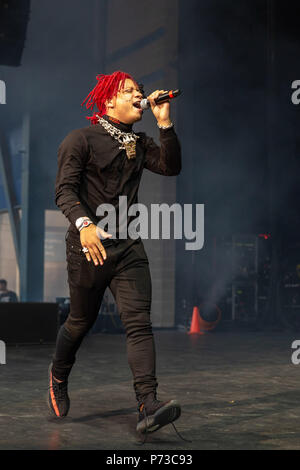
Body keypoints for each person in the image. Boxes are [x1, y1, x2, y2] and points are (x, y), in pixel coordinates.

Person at [49, 70, 182, 435]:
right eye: (130, 92)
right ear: (109, 101)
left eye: (140, 91)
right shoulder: (81, 139)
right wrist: (85, 224)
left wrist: (165, 124)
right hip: (88, 247)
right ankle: (58, 375)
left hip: (128, 246)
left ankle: (148, 404)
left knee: (139, 324)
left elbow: (171, 167)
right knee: (80, 322)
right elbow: (64, 191)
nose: (139, 95)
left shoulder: (139, 143)